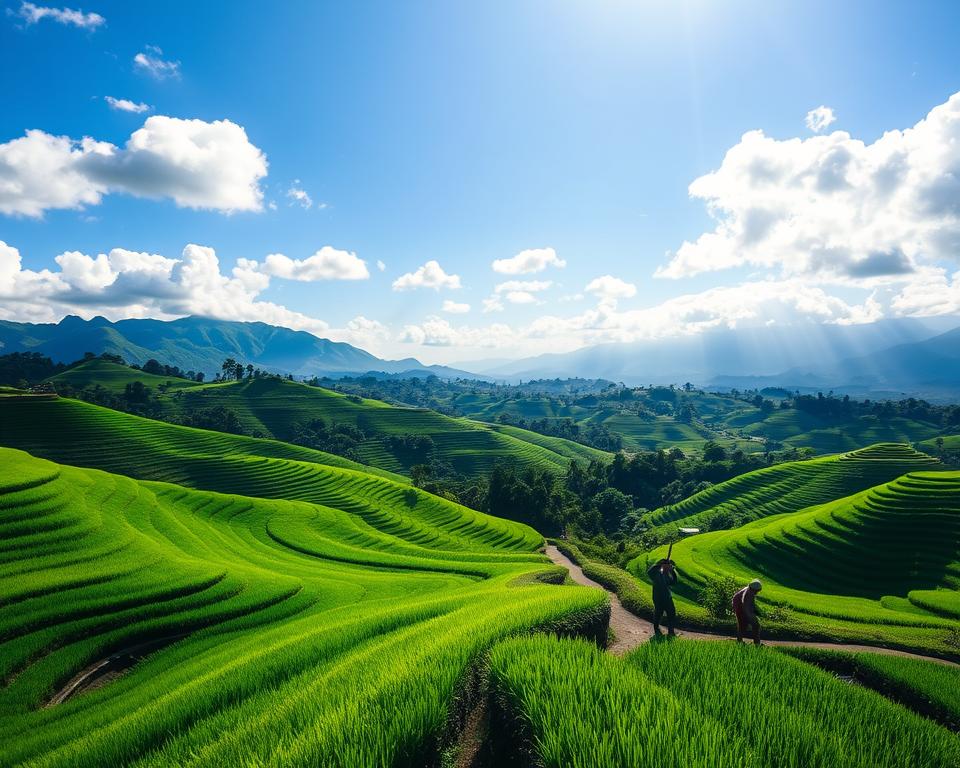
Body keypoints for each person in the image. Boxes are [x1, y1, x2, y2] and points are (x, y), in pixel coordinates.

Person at [647, 558, 678, 636]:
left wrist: (672, 570)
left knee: (671, 613)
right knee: (658, 613)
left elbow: (673, 582)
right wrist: (660, 564)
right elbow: (649, 572)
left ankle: (671, 632)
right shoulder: (656, 573)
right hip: (658, 598)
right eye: (666, 566)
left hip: (668, 597)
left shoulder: (667, 574)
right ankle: (656, 629)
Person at [731, 579, 762, 645]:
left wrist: (756, 611)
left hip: (739, 606)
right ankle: (756, 643)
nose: (757, 593)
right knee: (754, 625)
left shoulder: (749, 590)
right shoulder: (747, 594)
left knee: (744, 625)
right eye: (757, 591)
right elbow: (746, 606)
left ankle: (740, 641)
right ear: (754, 589)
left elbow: (751, 604)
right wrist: (751, 617)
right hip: (739, 607)